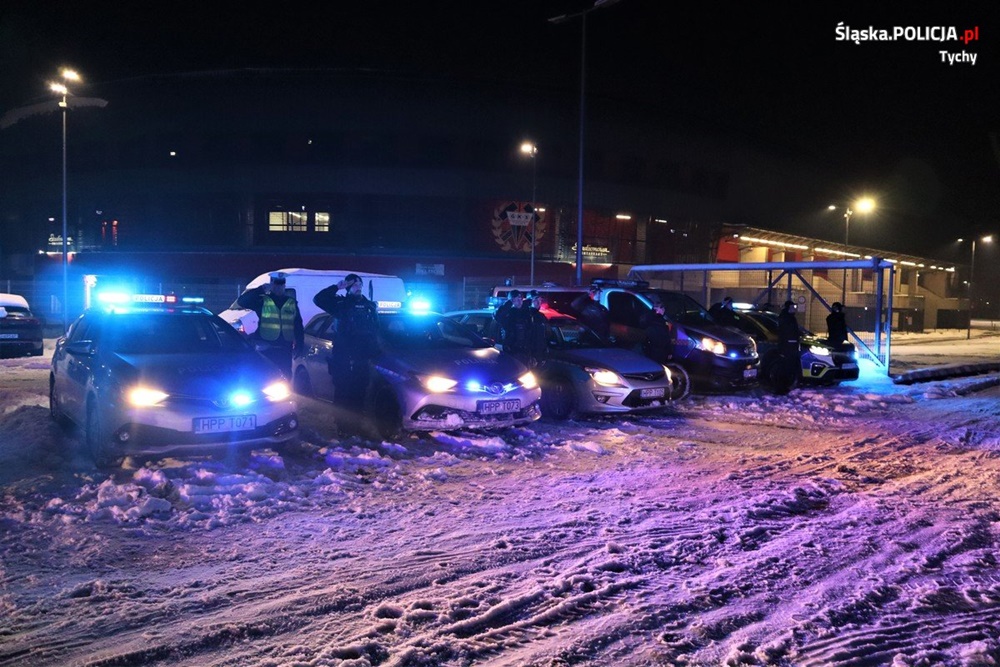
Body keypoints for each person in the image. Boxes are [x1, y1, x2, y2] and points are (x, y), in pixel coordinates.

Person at [313, 273, 380, 417]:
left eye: (360, 285)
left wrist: (374, 351)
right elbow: (318, 299)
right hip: (343, 355)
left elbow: (375, 330)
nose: (358, 288)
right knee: (342, 390)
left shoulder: (369, 306)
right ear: (348, 288)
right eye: (355, 285)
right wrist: (337, 287)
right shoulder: (340, 305)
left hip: (362, 357)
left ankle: (356, 423)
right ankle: (342, 425)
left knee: (360, 391)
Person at [236, 271, 303, 378]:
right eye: (276, 283)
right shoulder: (263, 301)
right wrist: (260, 289)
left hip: (285, 349)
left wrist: (300, 344)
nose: (279, 286)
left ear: (284, 284)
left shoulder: (291, 302)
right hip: (267, 348)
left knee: (286, 377)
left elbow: (298, 325)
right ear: (271, 284)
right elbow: (242, 301)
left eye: (281, 283)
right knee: (267, 377)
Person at [640, 298, 675, 363]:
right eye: (662, 309)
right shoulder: (661, 322)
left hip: (649, 350)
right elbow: (666, 339)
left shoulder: (647, 319)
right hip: (658, 352)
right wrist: (669, 351)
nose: (663, 311)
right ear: (658, 309)